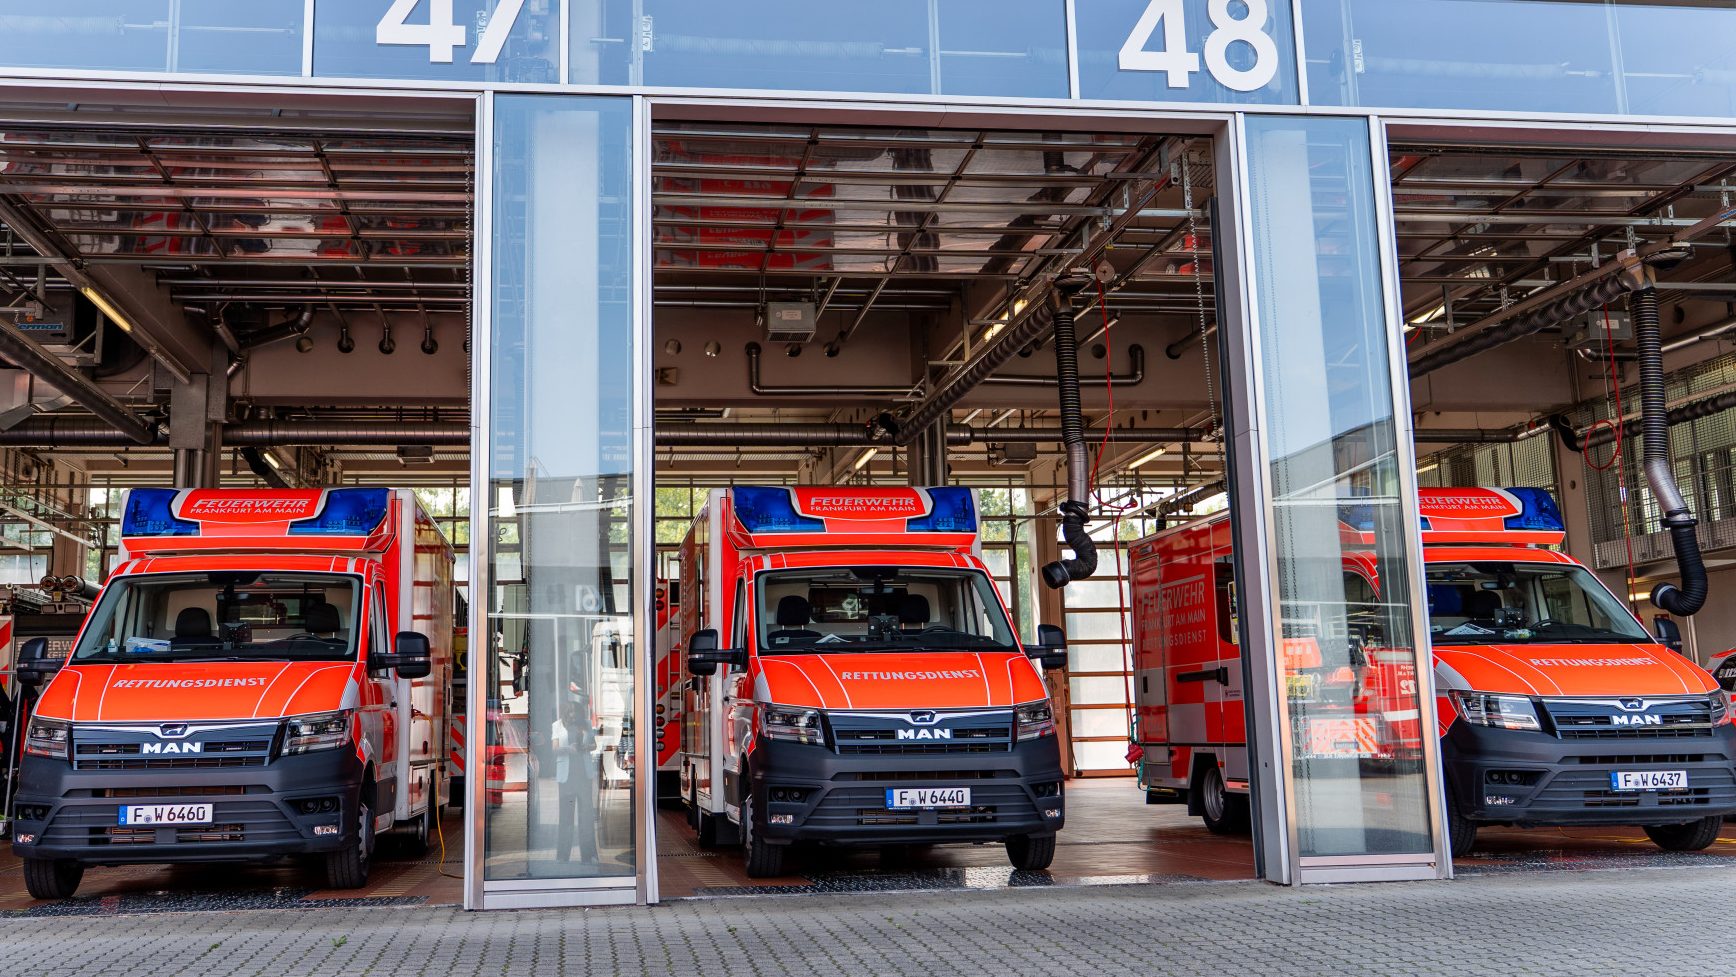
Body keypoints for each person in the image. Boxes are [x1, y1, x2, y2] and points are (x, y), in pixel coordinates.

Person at [552, 699, 600, 866]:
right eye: (570, 712)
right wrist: (568, 749)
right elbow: (554, 749)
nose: (573, 715)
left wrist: (586, 747)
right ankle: (562, 856)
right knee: (566, 818)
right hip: (566, 777)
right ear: (566, 712)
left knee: (586, 817)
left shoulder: (586, 724)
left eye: (576, 712)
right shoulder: (557, 725)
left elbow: (594, 745)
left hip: (584, 776)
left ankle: (589, 856)